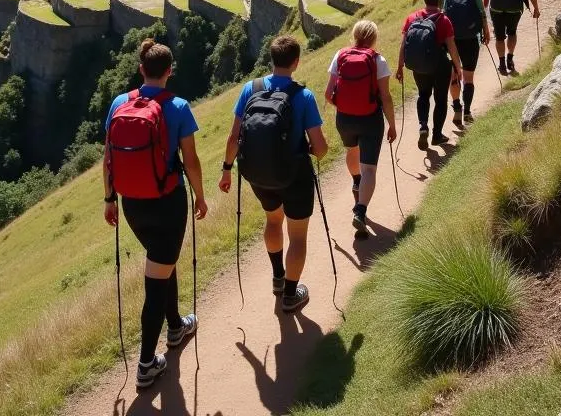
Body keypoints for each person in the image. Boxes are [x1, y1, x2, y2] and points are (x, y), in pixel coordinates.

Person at [103, 39, 208, 391]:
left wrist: (108, 199)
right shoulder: (178, 106)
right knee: (155, 280)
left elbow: (108, 156)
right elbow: (190, 160)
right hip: (166, 203)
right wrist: (201, 195)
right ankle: (146, 363)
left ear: (140, 69)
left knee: (163, 263)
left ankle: (176, 326)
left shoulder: (120, 102)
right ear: (170, 71)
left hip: (132, 203)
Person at [219, 35, 328, 313]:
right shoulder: (303, 96)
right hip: (294, 176)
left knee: (273, 220)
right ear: (295, 62)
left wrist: (227, 170)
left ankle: (278, 276)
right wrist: (312, 150)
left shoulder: (250, 89)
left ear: (271, 60)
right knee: (298, 236)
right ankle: (291, 294)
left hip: (259, 175)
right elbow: (321, 148)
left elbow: (234, 138)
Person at [324, 20, 398, 239]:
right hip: (370, 119)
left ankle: (356, 181)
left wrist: (345, 107)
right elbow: (385, 97)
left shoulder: (340, 55)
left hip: (344, 119)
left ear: (355, 35)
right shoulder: (378, 60)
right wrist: (392, 124)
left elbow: (328, 94)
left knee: (351, 151)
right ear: (373, 37)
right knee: (370, 170)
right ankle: (360, 210)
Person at [396, 0, 464, 150]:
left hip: (419, 65)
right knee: (440, 99)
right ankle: (437, 135)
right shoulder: (444, 20)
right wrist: (457, 66)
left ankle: (423, 126)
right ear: (439, 0)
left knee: (423, 95)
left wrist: (400, 66)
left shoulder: (412, 18)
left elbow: (404, 44)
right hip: (440, 65)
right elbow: (451, 46)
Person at [440, 0, 490, 126]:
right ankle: (467, 111)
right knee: (468, 77)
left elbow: (441, 12)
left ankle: (456, 107)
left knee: (454, 75)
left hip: (451, 40)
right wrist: (486, 32)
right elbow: (482, 13)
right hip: (470, 38)